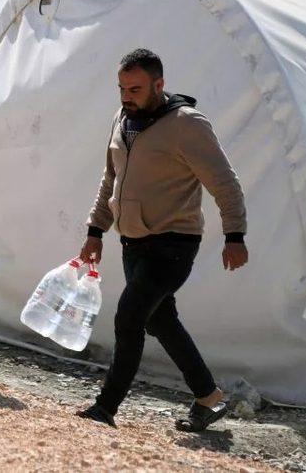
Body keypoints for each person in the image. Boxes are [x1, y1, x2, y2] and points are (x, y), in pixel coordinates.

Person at [75, 48, 249, 432]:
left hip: (173, 243)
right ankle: (209, 397)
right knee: (160, 320)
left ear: (159, 84)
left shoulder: (187, 124)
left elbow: (224, 181)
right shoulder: (123, 119)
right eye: (121, 88)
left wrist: (234, 234)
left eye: (135, 89)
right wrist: (95, 229)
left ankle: (105, 408)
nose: (126, 96)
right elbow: (111, 180)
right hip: (132, 241)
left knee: (130, 316)